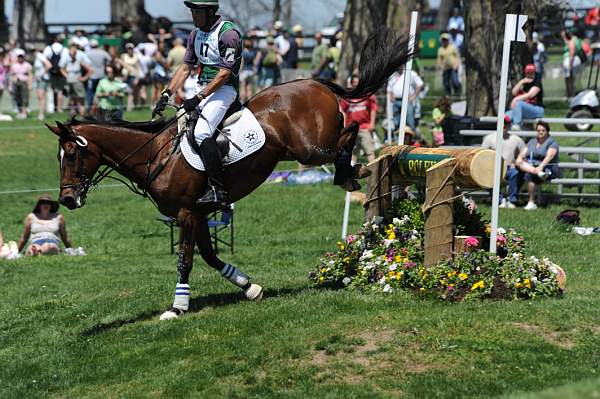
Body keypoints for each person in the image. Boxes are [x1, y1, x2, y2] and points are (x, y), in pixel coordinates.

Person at [152, 0, 242, 207]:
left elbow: (225, 74)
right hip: (201, 88)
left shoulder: (228, 34)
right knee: (176, 129)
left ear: (210, 11)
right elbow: (185, 69)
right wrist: (167, 94)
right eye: (192, 11)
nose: (193, 15)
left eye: (197, 11)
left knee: (201, 132)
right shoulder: (195, 34)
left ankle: (218, 190)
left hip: (224, 90)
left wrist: (198, 98)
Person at [481, 115, 526, 208]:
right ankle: (500, 200)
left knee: (516, 173)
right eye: (501, 124)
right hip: (493, 168)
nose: (503, 126)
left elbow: (525, 151)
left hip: (510, 168)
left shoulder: (515, 139)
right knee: (486, 177)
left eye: (505, 124)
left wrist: (519, 158)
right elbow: (482, 154)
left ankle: (512, 200)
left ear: (509, 125)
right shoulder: (489, 138)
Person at [516, 121, 559, 210]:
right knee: (518, 164)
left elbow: (550, 156)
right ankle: (512, 199)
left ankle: (531, 202)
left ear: (547, 131)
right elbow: (523, 153)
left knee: (528, 175)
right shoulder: (532, 141)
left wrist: (541, 166)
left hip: (547, 168)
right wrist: (520, 158)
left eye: (543, 130)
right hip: (532, 167)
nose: (540, 132)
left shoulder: (552, 142)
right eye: (538, 130)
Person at [340, 73, 377, 164]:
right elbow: (342, 110)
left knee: (370, 151)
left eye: (358, 83)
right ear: (351, 84)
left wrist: (372, 123)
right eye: (354, 83)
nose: (356, 85)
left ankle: (374, 172)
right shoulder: (348, 96)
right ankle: (351, 172)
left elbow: (373, 109)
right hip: (352, 129)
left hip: (365, 127)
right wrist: (344, 125)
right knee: (352, 151)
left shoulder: (367, 95)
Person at [505, 64, 544, 130]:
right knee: (505, 115)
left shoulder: (537, 83)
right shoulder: (524, 82)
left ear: (535, 72)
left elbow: (530, 95)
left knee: (518, 103)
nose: (530, 75)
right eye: (528, 73)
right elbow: (514, 92)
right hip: (524, 110)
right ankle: (506, 131)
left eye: (532, 73)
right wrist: (521, 82)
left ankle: (517, 125)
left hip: (537, 110)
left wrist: (515, 99)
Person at [386, 66, 424, 133]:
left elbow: (420, 84)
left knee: (410, 122)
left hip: (407, 101)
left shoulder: (411, 73)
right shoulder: (393, 75)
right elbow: (389, 88)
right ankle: (397, 139)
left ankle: (412, 138)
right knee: (396, 122)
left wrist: (414, 96)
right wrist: (391, 96)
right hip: (396, 101)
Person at [59, 40, 92, 116]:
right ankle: (73, 115)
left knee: (80, 98)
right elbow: (61, 67)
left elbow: (89, 66)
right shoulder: (66, 55)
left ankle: (82, 116)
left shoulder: (80, 55)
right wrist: (67, 76)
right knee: (71, 98)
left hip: (77, 79)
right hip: (69, 79)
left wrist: (84, 78)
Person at [43, 35, 68, 113]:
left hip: (51, 72)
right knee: (60, 90)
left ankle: (51, 108)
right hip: (61, 72)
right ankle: (59, 108)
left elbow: (44, 59)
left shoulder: (48, 48)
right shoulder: (64, 49)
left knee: (51, 90)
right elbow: (66, 61)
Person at [85, 38, 111, 112]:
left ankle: (89, 108)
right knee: (103, 91)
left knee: (90, 92)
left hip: (92, 75)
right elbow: (109, 60)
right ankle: (104, 107)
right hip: (102, 75)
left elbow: (84, 62)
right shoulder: (103, 52)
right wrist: (105, 65)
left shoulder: (88, 53)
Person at [10, 49, 32, 119]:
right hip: (16, 83)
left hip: (24, 83)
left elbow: (30, 75)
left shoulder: (27, 65)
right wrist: (10, 85)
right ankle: (20, 112)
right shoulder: (14, 65)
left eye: (21, 57)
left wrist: (30, 84)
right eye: (19, 57)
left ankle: (24, 112)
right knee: (17, 98)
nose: (20, 58)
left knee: (24, 98)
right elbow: (12, 75)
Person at [120, 43, 142, 111]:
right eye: (129, 49)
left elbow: (138, 68)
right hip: (125, 76)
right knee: (124, 92)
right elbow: (120, 64)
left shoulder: (136, 57)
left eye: (131, 49)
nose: (130, 50)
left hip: (132, 76)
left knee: (131, 92)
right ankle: (123, 106)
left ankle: (129, 108)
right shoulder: (123, 56)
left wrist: (137, 78)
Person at [561, 30, 583, 98]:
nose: (562, 38)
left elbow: (572, 53)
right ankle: (568, 94)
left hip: (571, 62)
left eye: (563, 36)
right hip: (569, 62)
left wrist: (570, 65)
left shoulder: (571, 42)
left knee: (570, 79)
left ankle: (572, 95)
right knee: (568, 79)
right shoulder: (570, 41)